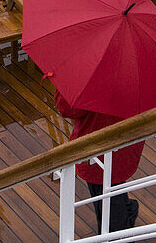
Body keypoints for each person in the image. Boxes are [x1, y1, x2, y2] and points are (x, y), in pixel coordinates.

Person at [55, 90, 141, 232]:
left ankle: (117, 233)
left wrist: (61, 90)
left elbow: (68, 109)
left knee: (106, 202)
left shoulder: (90, 80)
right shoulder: (132, 77)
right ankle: (127, 209)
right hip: (126, 143)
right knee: (115, 182)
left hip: (97, 152)